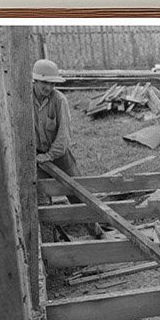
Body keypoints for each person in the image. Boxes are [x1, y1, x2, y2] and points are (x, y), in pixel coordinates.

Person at [32, 58, 103, 239]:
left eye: (52, 83)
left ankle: (96, 233)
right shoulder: (24, 100)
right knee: (42, 202)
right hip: (36, 158)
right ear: (35, 81)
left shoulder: (59, 100)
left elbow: (64, 136)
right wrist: (37, 157)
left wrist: (49, 155)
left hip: (60, 156)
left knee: (78, 195)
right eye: (44, 83)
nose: (48, 88)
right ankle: (51, 243)